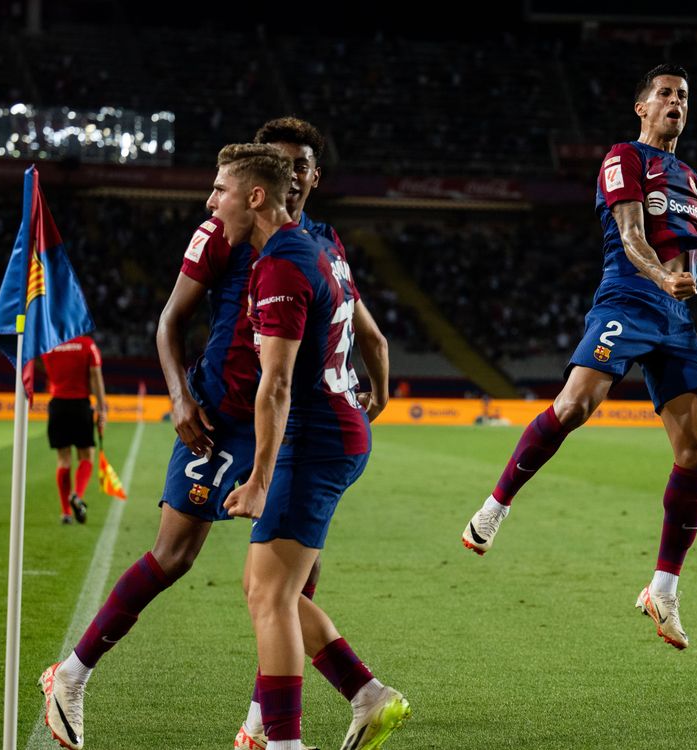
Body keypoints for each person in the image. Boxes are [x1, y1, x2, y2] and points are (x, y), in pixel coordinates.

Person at [38, 120, 387, 750]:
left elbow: (358, 327)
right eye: (285, 163)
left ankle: (271, 718)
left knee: (290, 578)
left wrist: (373, 374)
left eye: (305, 164)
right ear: (265, 182)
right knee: (178, 555)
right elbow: (170, 322)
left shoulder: (317, 242)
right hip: (222, 418)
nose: (298, 173)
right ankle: (71, 675)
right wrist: (179, 400)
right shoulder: (223, 235)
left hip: (284, 420)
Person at [460, 64, 697, 650]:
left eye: (683, 96)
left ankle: (662, 588)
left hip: (675, 315)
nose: (675, 102)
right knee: (575, 405)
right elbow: (632, 235)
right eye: (664, 94)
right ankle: (496, 505)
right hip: (630, 297)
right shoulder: (626, 158)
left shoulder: (693, 180)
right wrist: (664, 276)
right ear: (642, 108)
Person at [220, 143, 406, 750]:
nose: (210, 201)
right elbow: (372, 339)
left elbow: (274, 386)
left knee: (269, 594)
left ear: (254, 197)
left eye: (221, 190)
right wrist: (373, 395)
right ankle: (366, 695)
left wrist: (260, 480)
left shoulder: (279, 265)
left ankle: (283, 743)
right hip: (340, 431)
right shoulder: (322, 247)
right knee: (273, 589)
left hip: (314, 441)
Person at [41, 335, 107, 525]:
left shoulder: (49, 344)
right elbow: (96, 377)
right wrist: (102, 409)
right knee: (86, 456)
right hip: (80, 405)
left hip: (57, 405)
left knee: (63, 460)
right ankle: (77, 495)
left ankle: (65, 513)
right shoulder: (87, 345)